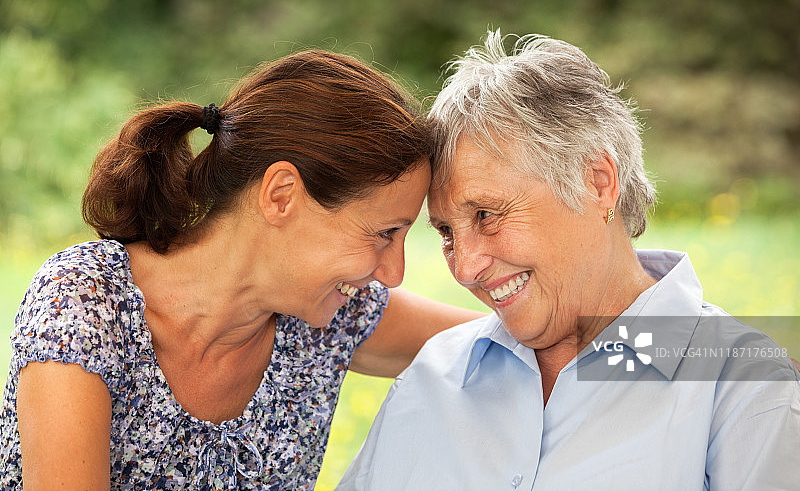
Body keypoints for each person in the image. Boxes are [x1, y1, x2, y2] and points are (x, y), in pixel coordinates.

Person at [0, 50, 483, 489]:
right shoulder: (87, 303)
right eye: (383, 234)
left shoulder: (329, 318)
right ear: (281, 195)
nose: (393, 272)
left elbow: (507, 340)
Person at [337, 32, 800, 490]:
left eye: (486, 214)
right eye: (445, 232)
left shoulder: (743, 387)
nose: (465, 268)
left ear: (598, 183)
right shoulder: (433, 374)